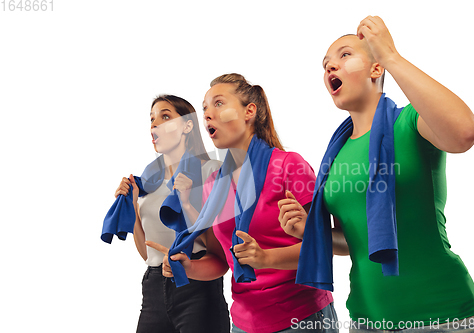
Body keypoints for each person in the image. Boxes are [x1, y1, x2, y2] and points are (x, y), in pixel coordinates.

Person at [280, 16, 474, 332]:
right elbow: (356, 242)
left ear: (375, 69)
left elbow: (464, 133)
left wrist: (391, 56)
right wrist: (306, 232)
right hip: (368, 320)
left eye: (344, 55)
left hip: (444, 316)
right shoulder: (335, 155)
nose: (330, 68)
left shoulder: (409, 123)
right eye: (325, 64)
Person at [148, 74, 338, 333]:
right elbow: (222, 259)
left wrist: (265, 257)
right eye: (204, 108)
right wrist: (190, 267)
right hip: (244, 323)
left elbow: (322, 247)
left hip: (300, 318)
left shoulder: (289, 166)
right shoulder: (215, 183)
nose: (207, 114)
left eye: (218, 104)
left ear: (249, 111)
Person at [113, 95, 230, 333]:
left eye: (165, 116)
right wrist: (134, 205)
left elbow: (219, 246)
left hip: (197, 287)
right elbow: (149, 252)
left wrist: (187, 204)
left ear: (187, 126)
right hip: (154, 286)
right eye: (152, 119)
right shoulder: (148, 183)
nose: (155, 125)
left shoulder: (211, 171)